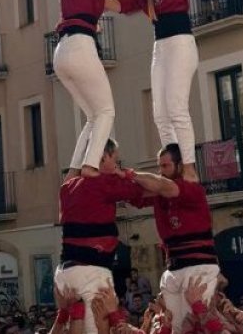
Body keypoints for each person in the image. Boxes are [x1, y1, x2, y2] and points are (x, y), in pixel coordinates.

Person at [56, 139, 178, 334]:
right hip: (90, 271)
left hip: (64, 272)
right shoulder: (103, 182)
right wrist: (130, 174)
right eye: (116, 160)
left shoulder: (67, 187)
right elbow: (157, 190)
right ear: (103, 157)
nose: (116, 166)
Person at [106, 0, 200, 182]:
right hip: (161, 46)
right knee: (160, 113)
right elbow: (121, 4)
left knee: (177, 108)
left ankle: (189, 166)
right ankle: (174, 163)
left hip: (180, 42)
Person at [56, 0, 153, 176]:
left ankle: (74, 171)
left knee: (92, 116)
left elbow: (121, 4)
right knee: (106, 111)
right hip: (81, 46)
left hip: (61, 52)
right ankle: (90, 166)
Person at [129, 144, 219, 327]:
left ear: (179, 166)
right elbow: (135, 195)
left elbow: (163, 186)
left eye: (165, 166)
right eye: (159, 166)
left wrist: (128, 174)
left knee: (196, 324)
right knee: (176, 327)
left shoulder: (191, 188)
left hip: (197, 266)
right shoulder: (159, 191)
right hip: (174, 267)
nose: (160, 171)